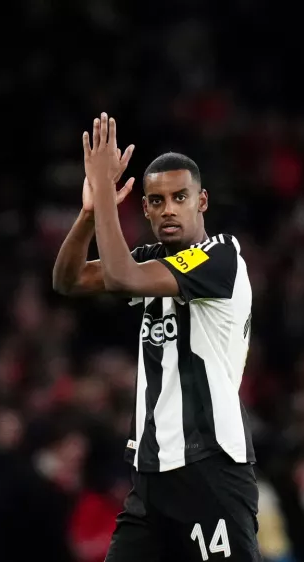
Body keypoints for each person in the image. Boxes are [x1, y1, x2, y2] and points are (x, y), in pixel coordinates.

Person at [53, 112, 260, 561]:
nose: (168, 209)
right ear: (144, 208)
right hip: (150, 477)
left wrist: (106, 196)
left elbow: (122, 276)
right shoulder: (152, 262)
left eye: (179, 197)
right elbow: (68, 281)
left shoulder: (220, 258)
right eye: (157, 200)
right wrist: (90, 213)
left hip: (210, 470)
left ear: (201, 201)